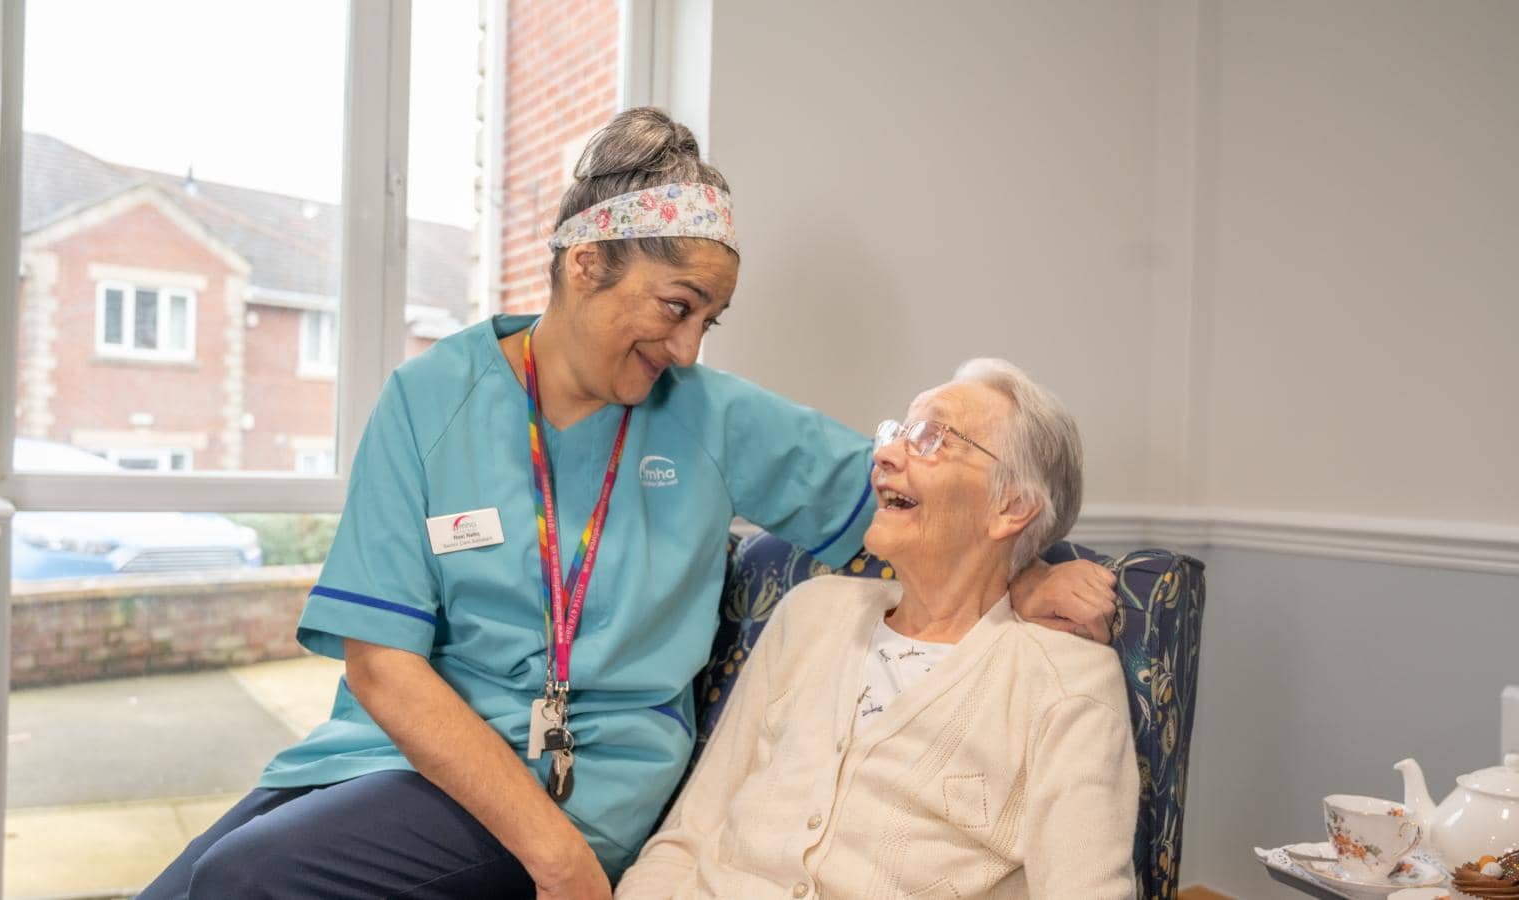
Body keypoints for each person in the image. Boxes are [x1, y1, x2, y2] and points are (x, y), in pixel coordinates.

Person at [138, 109, 1118, 899]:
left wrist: (1034, 574)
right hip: (392, 753)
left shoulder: (714, 417)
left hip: (581, 779)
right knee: (183, 887)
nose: (690, 349)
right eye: (676, 306)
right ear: (584, 263)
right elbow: (383, 668)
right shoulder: (429, 400)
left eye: (709, 320)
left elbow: (932, 510)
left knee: (242, 880)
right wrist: (550, 863)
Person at [616, 359, 1139, 899]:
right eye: (895, 434)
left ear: (1012, 507)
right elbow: (687, 837)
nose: (884, 454)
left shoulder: (1066, 681)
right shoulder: (812, 613)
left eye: (932, 438)